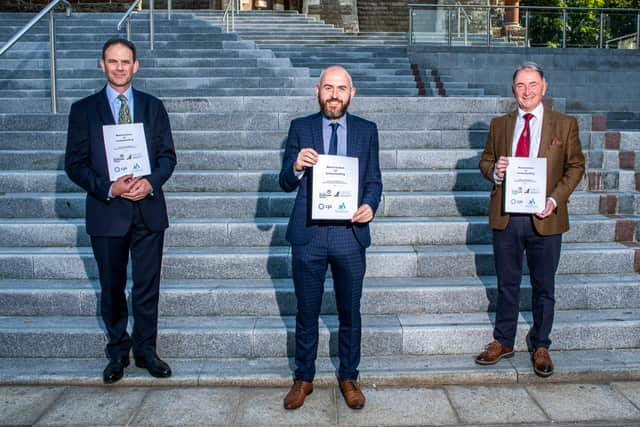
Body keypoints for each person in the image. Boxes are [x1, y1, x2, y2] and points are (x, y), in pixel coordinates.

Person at [65, 38, 177, 384]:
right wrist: (108, 187)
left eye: (125, 61)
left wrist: (151, 182)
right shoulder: (83, 109)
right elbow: (75, 164)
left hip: (147, 209)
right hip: (107, 211)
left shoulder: (152, 106)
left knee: (147, 286)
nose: (118, 67)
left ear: (136, 66)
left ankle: (146, 350)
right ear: (102, 65)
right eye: (112, 61)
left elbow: (167, 157)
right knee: (112, 287)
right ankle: (117, 351)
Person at [279, 65, 382, 409]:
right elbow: (284, 181)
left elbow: (374, 180)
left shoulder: (367, 131)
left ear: (352, 93)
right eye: (328, 87)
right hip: (309, 235)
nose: (334, 94)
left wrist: (369, 205)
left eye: (341, 88)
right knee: (306, 312)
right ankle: (303, 377)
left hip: (349, 235)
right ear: (317, 90)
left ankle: (349, 376)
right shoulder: (300, 127)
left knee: (349, 311)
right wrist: (295, 165)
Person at [476, 62, 585, 377]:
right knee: (507, 283)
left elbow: (575, 166)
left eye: (533, 84)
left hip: (545, 217)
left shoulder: (564, 124)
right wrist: (495, 171)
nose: (527, 91)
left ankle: (541, 344)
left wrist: (554, 200)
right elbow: (486, 160)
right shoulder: (500, 124)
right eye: (521, 85)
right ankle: (504, 340)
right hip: (508, 216)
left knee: (543, 285)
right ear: (514, 90)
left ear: (544, 87)